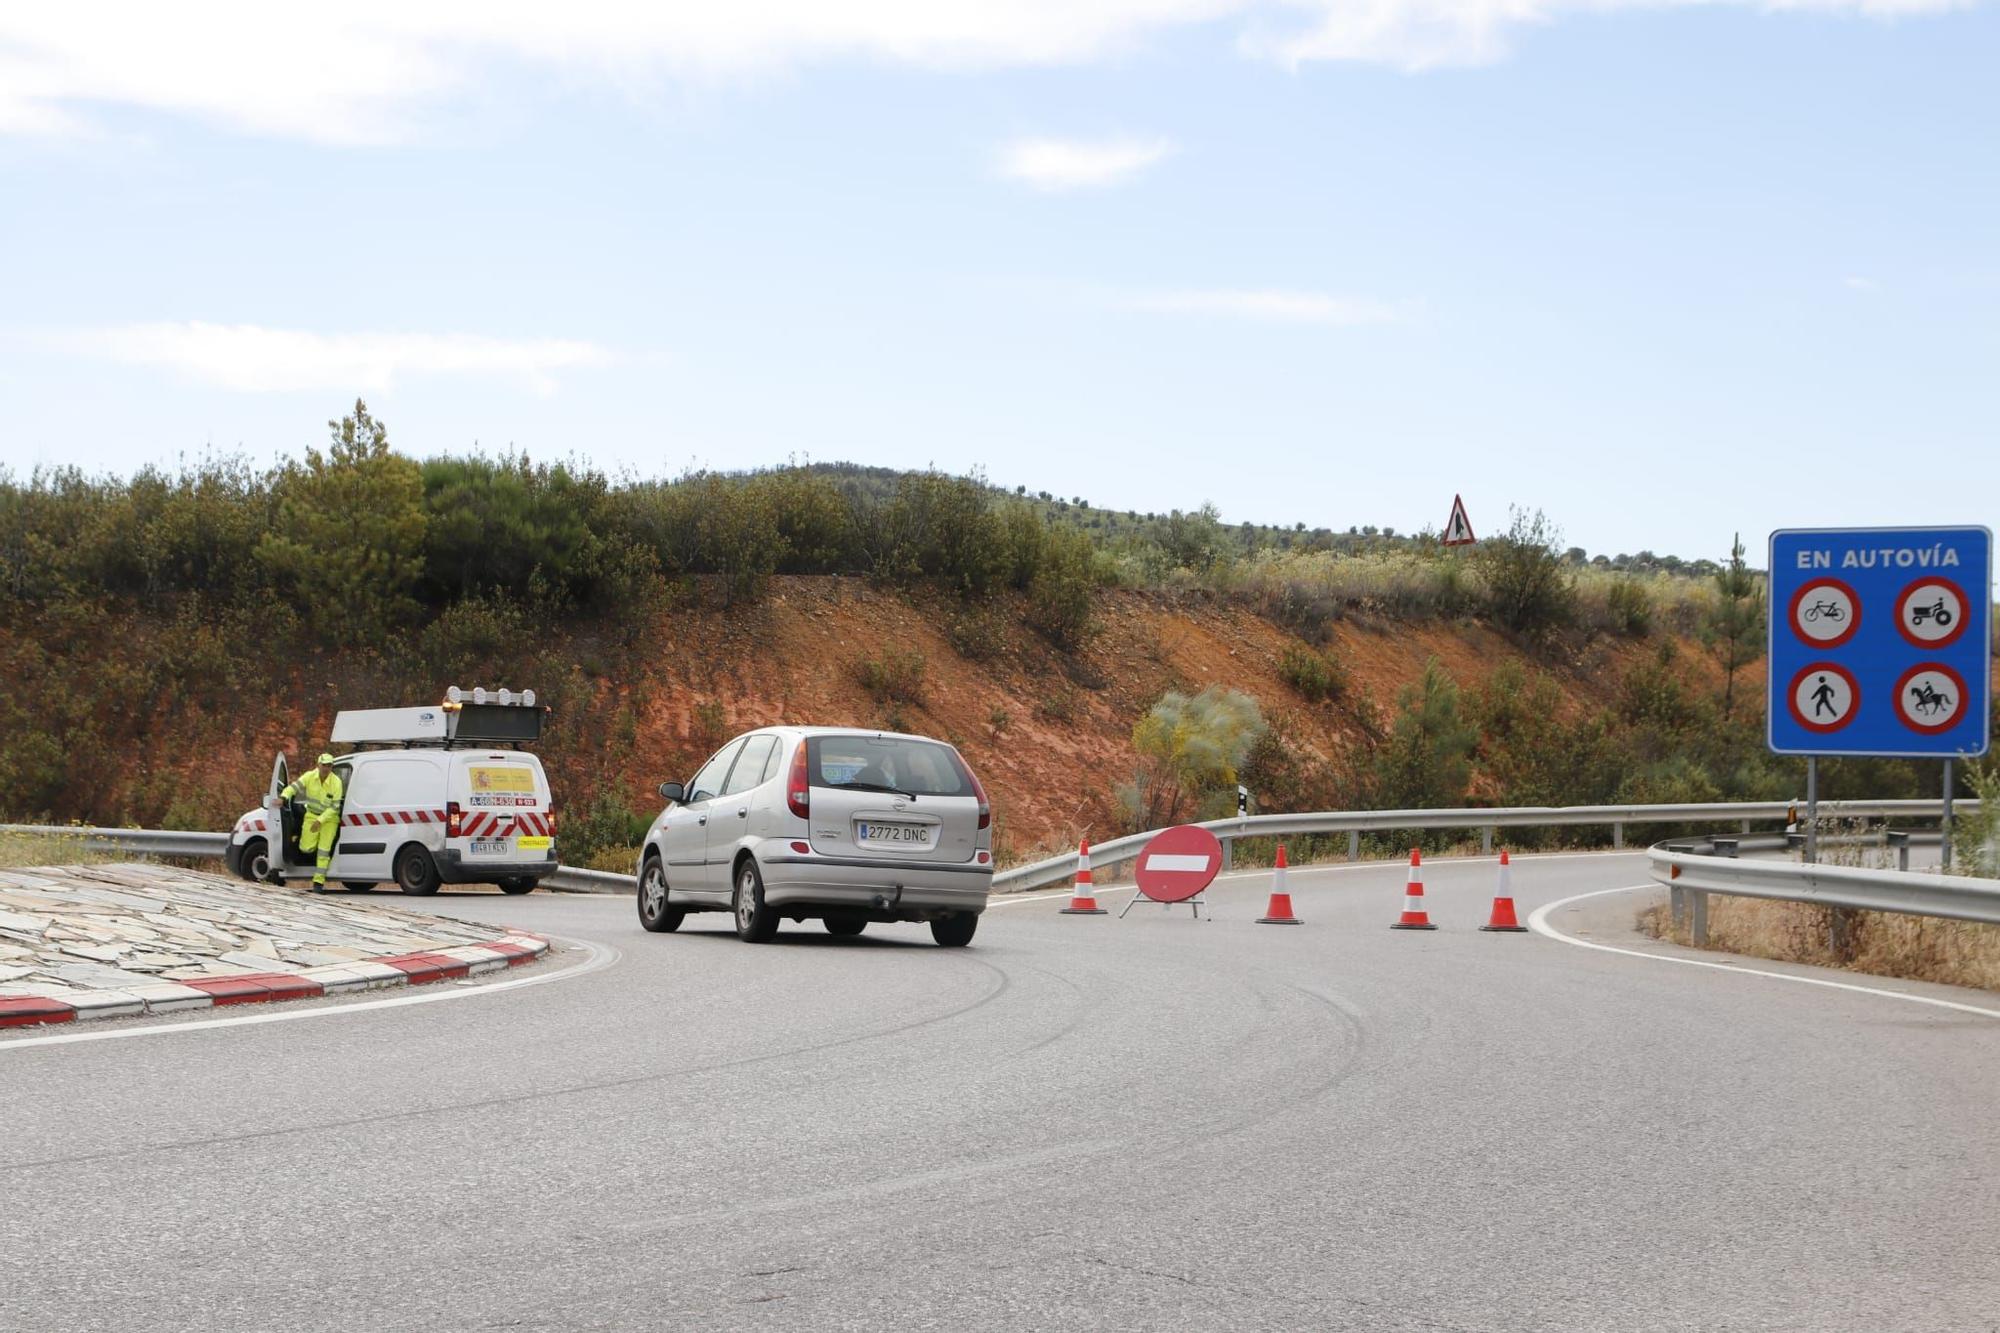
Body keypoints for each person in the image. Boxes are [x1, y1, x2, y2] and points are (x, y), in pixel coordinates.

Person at [281, 753, 344, 889]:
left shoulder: (336, 782)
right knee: (306, 847)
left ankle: (318, 882)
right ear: (318, 765)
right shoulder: (309, 776)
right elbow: (294, 787)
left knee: (323, 850)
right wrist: (283, 796)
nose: (326, 768)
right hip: (311, 815)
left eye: (329, 765)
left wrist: (320, 820)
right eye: (324, 765)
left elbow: (334, 807)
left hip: (329, 820)